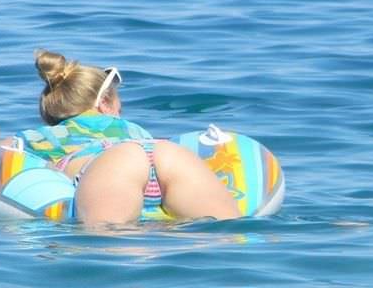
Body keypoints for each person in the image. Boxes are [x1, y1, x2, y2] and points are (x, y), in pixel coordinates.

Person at [13, 50, 240, 225]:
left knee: (112, 246)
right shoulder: (133, 129)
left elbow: (1, 156)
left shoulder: (40, 136)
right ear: (103, 103)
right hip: (166, 153)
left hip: (112, 164)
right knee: (226, 235)